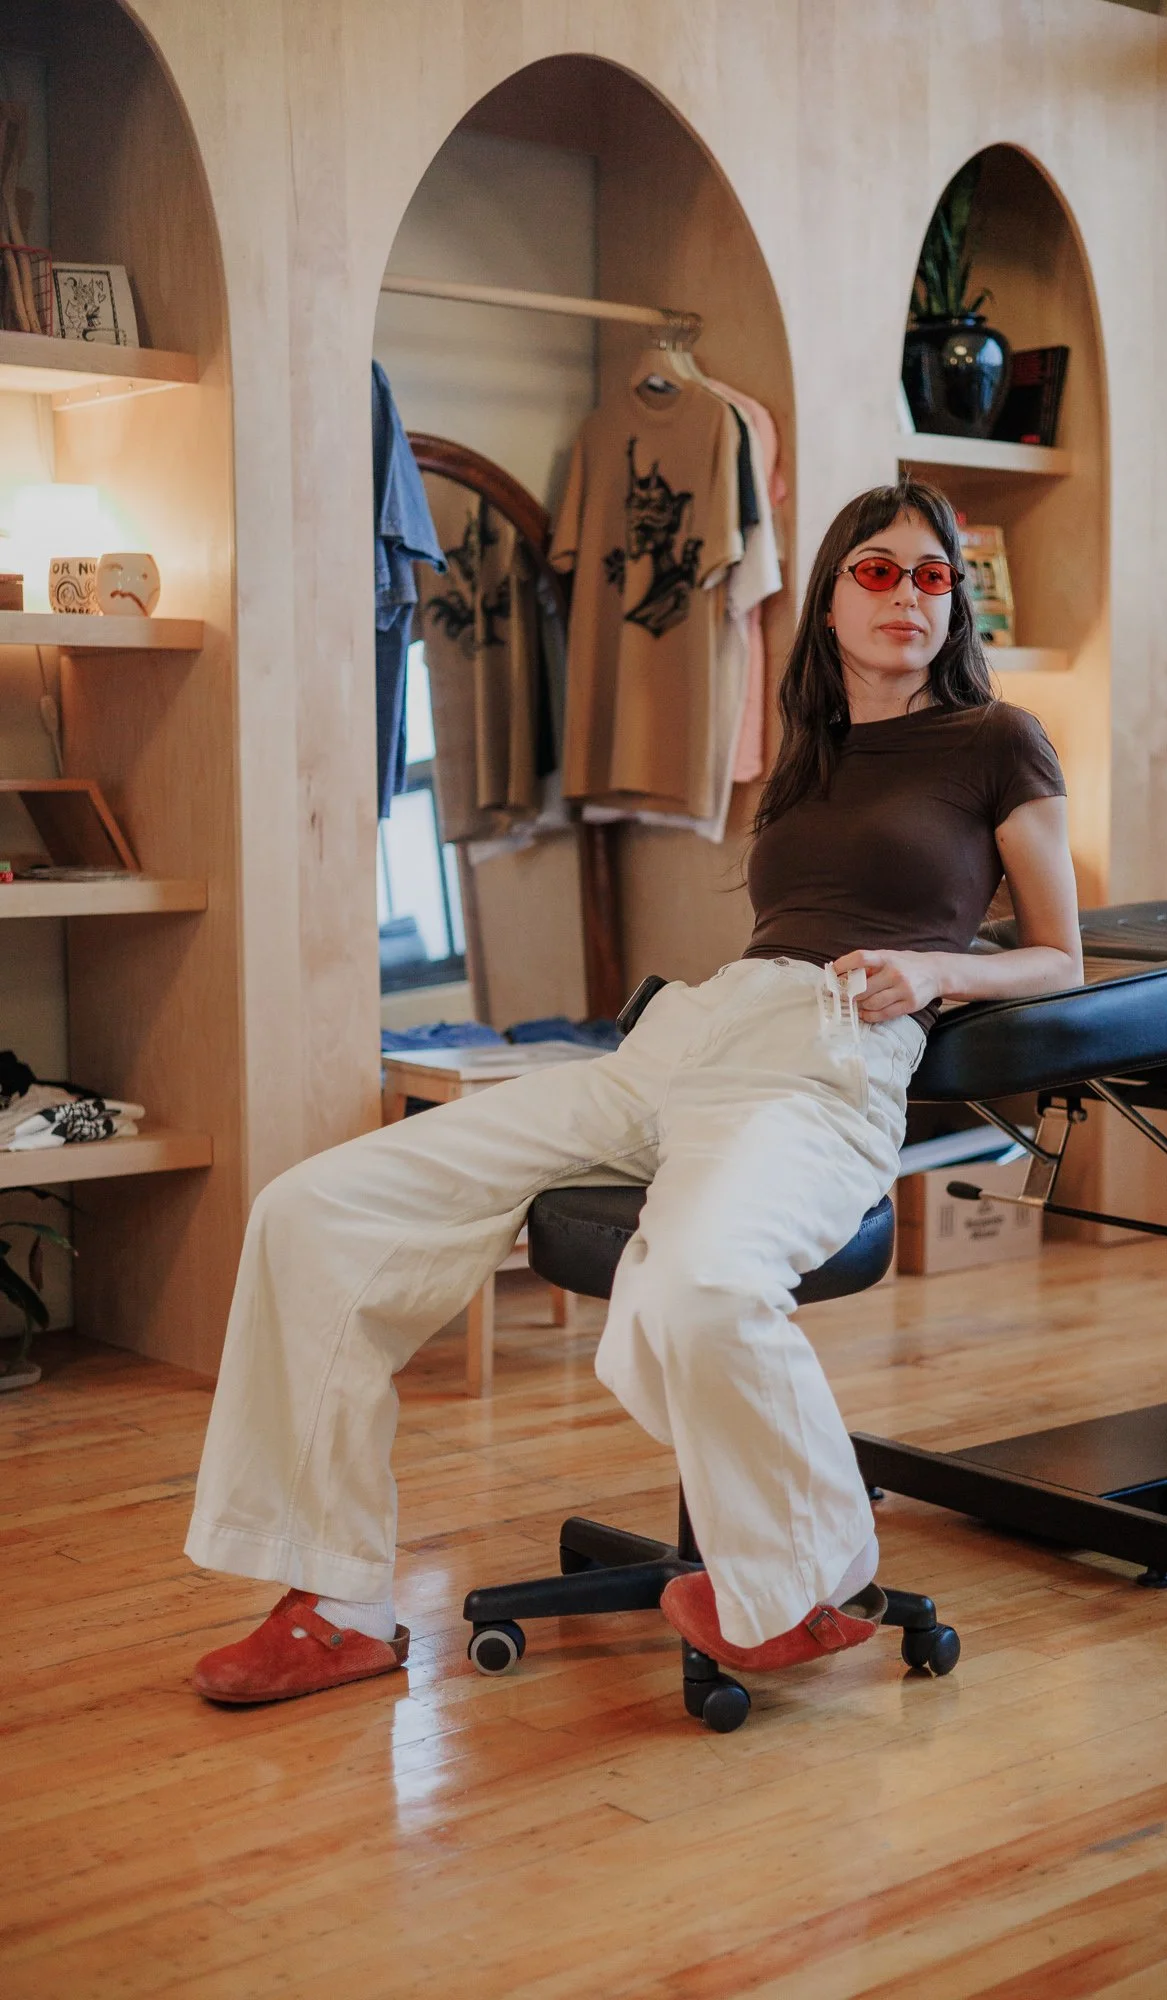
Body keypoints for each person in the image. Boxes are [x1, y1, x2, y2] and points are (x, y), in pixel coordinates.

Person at [188, 476, 1081, 1704]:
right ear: (826, 598)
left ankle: (801, 1579)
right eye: (876, 569)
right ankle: (333, 1598)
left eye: (933, 576)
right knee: (312, 1208)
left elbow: (1059, 956)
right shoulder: (808, 751)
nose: (908, 595)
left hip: (823, 1061)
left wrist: (932, 965)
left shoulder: (996, 740)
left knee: (706, 1284)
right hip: (691, 1036)